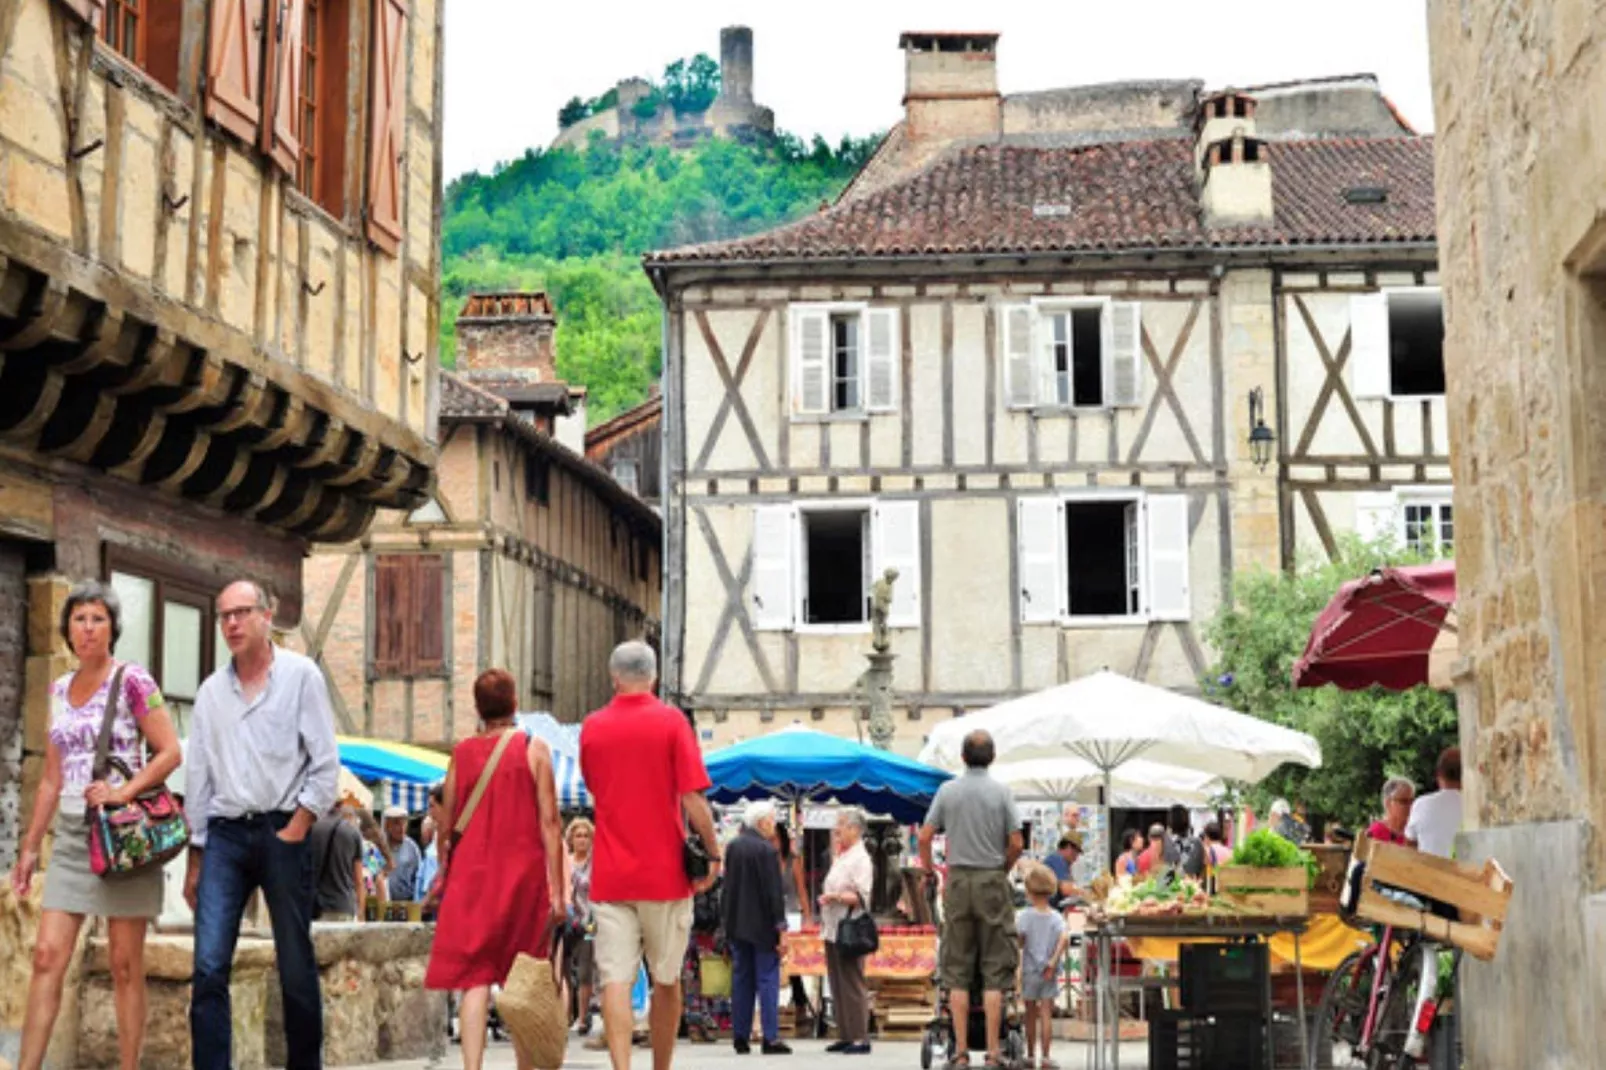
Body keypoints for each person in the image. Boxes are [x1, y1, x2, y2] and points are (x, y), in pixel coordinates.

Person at [9, 581, 182, 1070]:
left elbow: (170, 752)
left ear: (112, 628)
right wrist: (28, 848)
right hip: (69, 835)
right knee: (46, 956)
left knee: (126, 966)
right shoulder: (59, 690)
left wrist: (122, 792)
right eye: (79, 618)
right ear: (67, 629)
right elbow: (50, 778)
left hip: (121, 835)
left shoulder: (134, 681)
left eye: (98, 618)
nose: (87, 628)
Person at [184, 579, 339, 1070]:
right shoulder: (210, 693)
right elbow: (199, 776)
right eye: (224, 615)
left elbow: (325, 762)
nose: (231, 623)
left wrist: (298, 825)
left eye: (241, 612)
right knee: (208, 964)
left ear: (267, 616)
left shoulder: (300, 677)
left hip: (281, 825)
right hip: (225, 835)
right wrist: (196, 853)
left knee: (295, 962)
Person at [580, 640, 720, 1070]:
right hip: (664, 876)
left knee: (615, 979)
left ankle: (622, 1066)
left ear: (613, 677)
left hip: (611, 875)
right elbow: (693, 798)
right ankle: (661, 1066)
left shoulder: (593, 727)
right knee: (666, 978)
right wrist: (713, 854)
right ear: (654, 677)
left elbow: (595, 788)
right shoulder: (672, 722)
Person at [425, 668, 564, 1070]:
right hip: (523, 876)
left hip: (472, 879)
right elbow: (550, 822)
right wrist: (558, 887)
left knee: (475, 978)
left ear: (477, 708)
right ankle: (525, 1063)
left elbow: (446, 824)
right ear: (515, 702)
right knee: (523, 977)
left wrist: (443, 870)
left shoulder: (462, 753)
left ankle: (472, 1066)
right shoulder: (532, 747)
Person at [918, 730, 1024, 1069]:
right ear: (991, 758)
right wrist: (1001, 868)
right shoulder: (1002, 792)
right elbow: (1017, 843)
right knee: (995, 966)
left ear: (963, 758)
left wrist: (929, 871)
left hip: (958, 879)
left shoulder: (948, 791)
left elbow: (924, 836)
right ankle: (993, 1052)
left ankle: (961, 1052)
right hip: (992, 878)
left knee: (957, 968)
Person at [723, 801, 791, 1055]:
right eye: (772, 820)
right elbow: (773, 894)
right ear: (762, 821)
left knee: (741, 980)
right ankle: (769, 1036)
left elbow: (728, 890)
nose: (774, 825)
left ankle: (740, 1035)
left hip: (738, 924)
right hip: (762, 926)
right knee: (767, 979)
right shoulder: (766, 851)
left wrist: (726, 926)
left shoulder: (734, 847)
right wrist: (781, 928)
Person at [820, 807, 876, 1055]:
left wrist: (835, 896)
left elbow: (861, 896)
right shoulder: (844, 855)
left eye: (841, 825)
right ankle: (845, 1032)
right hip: (833, 927)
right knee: (837, 981)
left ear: (854, 829)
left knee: (852, 981)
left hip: (849, 926)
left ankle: (860, 1036)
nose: (837, 830)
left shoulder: (860, 859)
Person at [1017, 864, 1069, 1070]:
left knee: (1030, 1013)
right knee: (1046, 1012)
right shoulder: (1056, 917)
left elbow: (1020, 940)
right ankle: (1046, 1057)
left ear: (1029, 892)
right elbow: (1064, 938)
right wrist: (1053, 961)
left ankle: (1030, 1054)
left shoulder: (1025, 916)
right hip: (1050, 970)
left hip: (1030, 970)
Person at [773, 822, 815, 1028]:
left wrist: (807, 916)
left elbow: (801, 890)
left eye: (775, 839)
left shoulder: (793, 861)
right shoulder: (764, 860)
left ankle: (800, 1001)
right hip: (770, 915)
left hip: (790, 913)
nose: (772, 844)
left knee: (794, 960)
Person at [563, 817, 598, 1035]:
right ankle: (566, 1015)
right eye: (578, 836)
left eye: (586, 836)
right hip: (567, 920)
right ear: (571, 839)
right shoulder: (565, 861)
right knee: (564, 967)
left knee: (586, 969)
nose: (582, 840)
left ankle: (583, 1018)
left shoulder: (596, 863)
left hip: (590, 922)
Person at [308, 803, 365, 922]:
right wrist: (360, 912)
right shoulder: (352, 832)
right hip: (343, 905)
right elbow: (359, 880)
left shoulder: (312, 829)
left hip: (314, 906)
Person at [1406, 747, 1463, 858]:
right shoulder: (1477, 808)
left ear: (1439, 775)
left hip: (1429, 873)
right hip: (1469, 873)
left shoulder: (1421, 804)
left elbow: (1410, 845)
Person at [383, 805, 421, 902]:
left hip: (405, 904)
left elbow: (418, 879)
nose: (401, 828)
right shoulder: (378, 847)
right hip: (382, 902)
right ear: (387, 825)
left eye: (404, 823)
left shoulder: (412, 848)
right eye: (396, 823)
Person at [1368, 778, 1416, 846]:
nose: (1410, 806)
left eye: (1412, 801)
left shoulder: (1416, 832)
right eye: (1404, 801)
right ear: (1387, 803)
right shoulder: (1376, 833)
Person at [1041, 832, 1084, 902]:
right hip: (1049, 908)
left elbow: (1070, 883)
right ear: (1069, 847)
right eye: (1076, 852)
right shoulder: (1057, 859)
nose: (1076, 857)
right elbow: (1066, 889)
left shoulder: (1058, 859)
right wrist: (1085, 893)